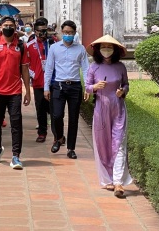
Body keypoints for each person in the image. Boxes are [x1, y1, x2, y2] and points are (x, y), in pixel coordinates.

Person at [85, 34, 132, 198]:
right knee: (103, 145)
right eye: (103, 47)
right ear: (98, 49)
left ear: (115, 50)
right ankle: (108, 179)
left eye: (109, 47)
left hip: (118, 109)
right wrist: (95, 86)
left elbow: (126, 85)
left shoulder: (120, 67)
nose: (106, 49)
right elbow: (87, 87)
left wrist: (122, 91)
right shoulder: (94, 67)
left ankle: (118, 181)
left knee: (118, 144)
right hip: (101, 110)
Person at [0, 16, 31, 169]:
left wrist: (27, 91)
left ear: (15, 26)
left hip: (14, 91)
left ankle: (16, 156)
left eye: (11, 25)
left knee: (16, 123)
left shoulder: (21, 46)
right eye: (5, 25)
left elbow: (24, 69)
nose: (8, 27)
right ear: (0, 27)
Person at [44, 20, 89, 160]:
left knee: (74, 118)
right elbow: (49, 69)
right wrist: (46, 87)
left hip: (75, 86)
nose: (68, 35)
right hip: (59, 85)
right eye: (65, 33)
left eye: (70, 33)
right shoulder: (54, 48)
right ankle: (59, 138)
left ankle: (71, 148)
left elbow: (86, 69)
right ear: (61, 33)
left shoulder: (81, 49)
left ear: (75, 33)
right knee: (56, 115)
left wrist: (87, 87)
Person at [25, 17, 50, 143]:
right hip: (38, 82)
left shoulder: (53, 43)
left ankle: (58, 135)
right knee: (40, 109)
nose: (43, 33)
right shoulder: (29, 46)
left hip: (53, 82)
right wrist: (32, 74)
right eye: (41, 31)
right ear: (35, 31)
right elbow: (26, 64)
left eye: (45, 30)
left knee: (55, 110)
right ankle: (42, 132)